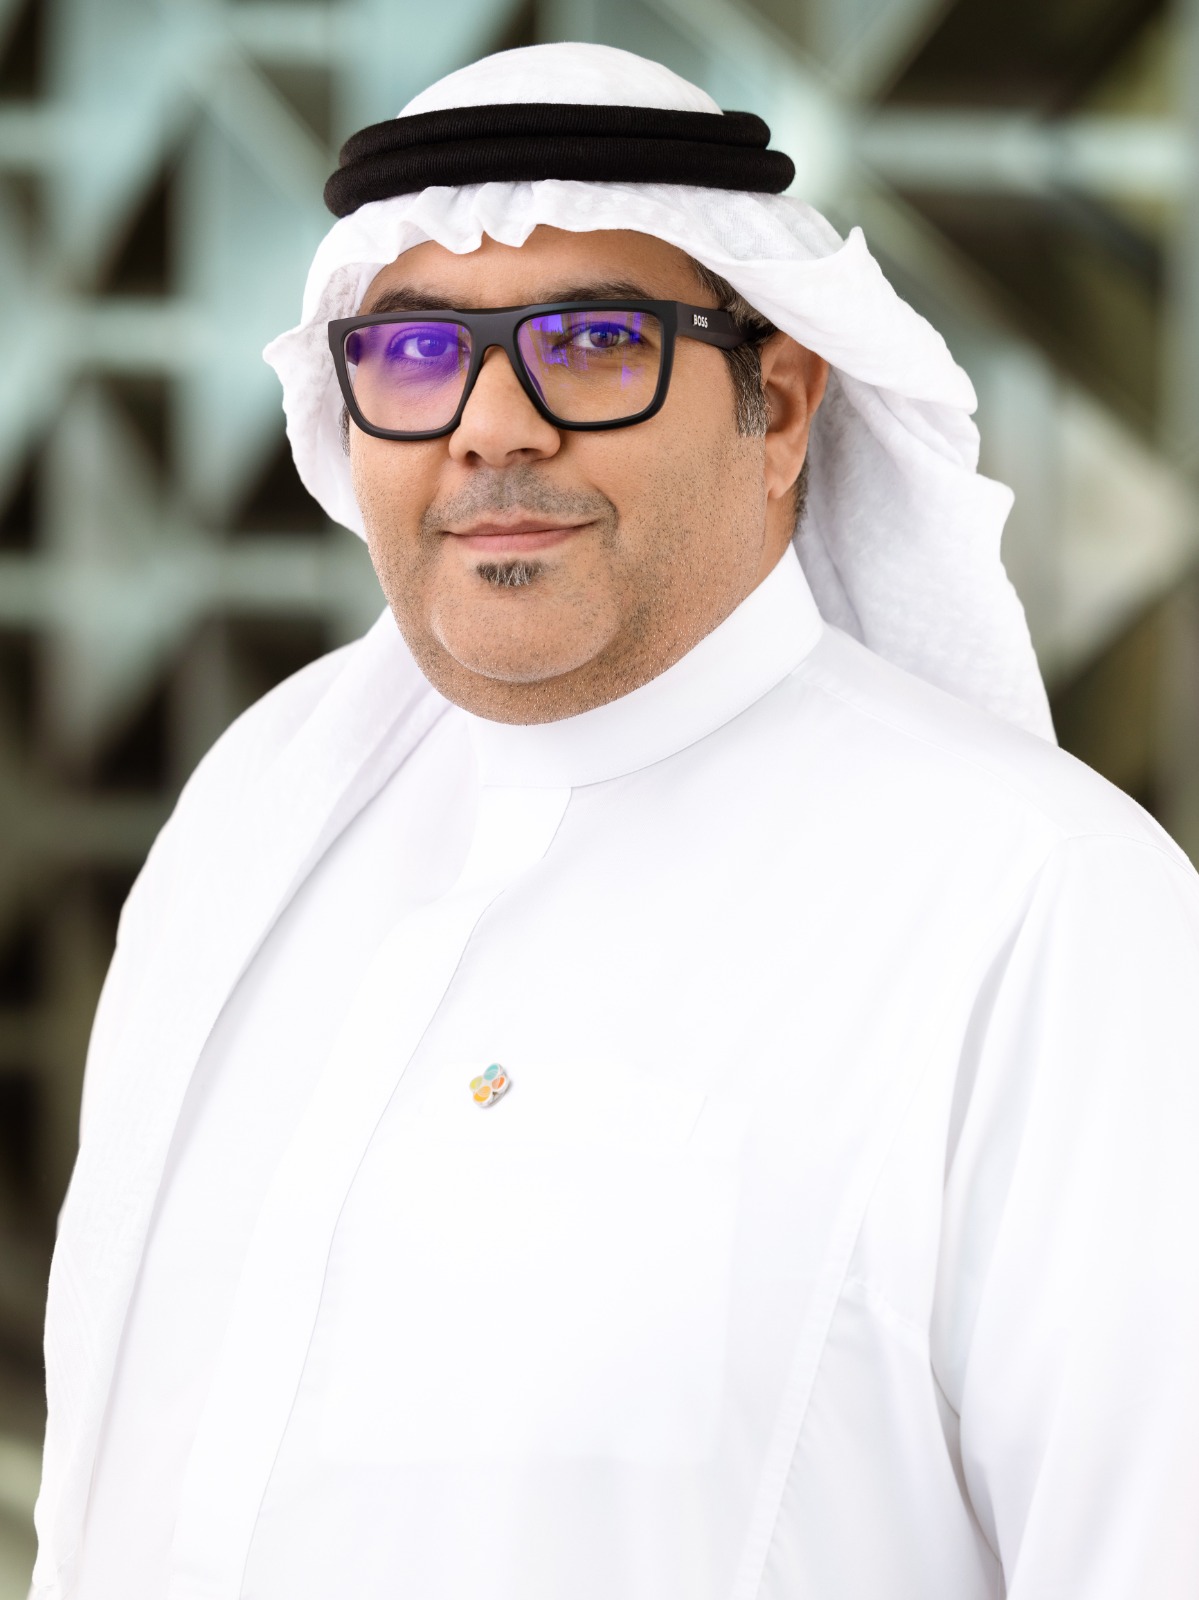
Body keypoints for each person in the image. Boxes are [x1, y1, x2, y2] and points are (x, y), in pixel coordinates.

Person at [30, 41, 1199, 1600]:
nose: (492, 427)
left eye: (590, 342)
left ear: (779, 405)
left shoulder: (1035, 905)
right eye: (416, 352)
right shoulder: (256, 826)